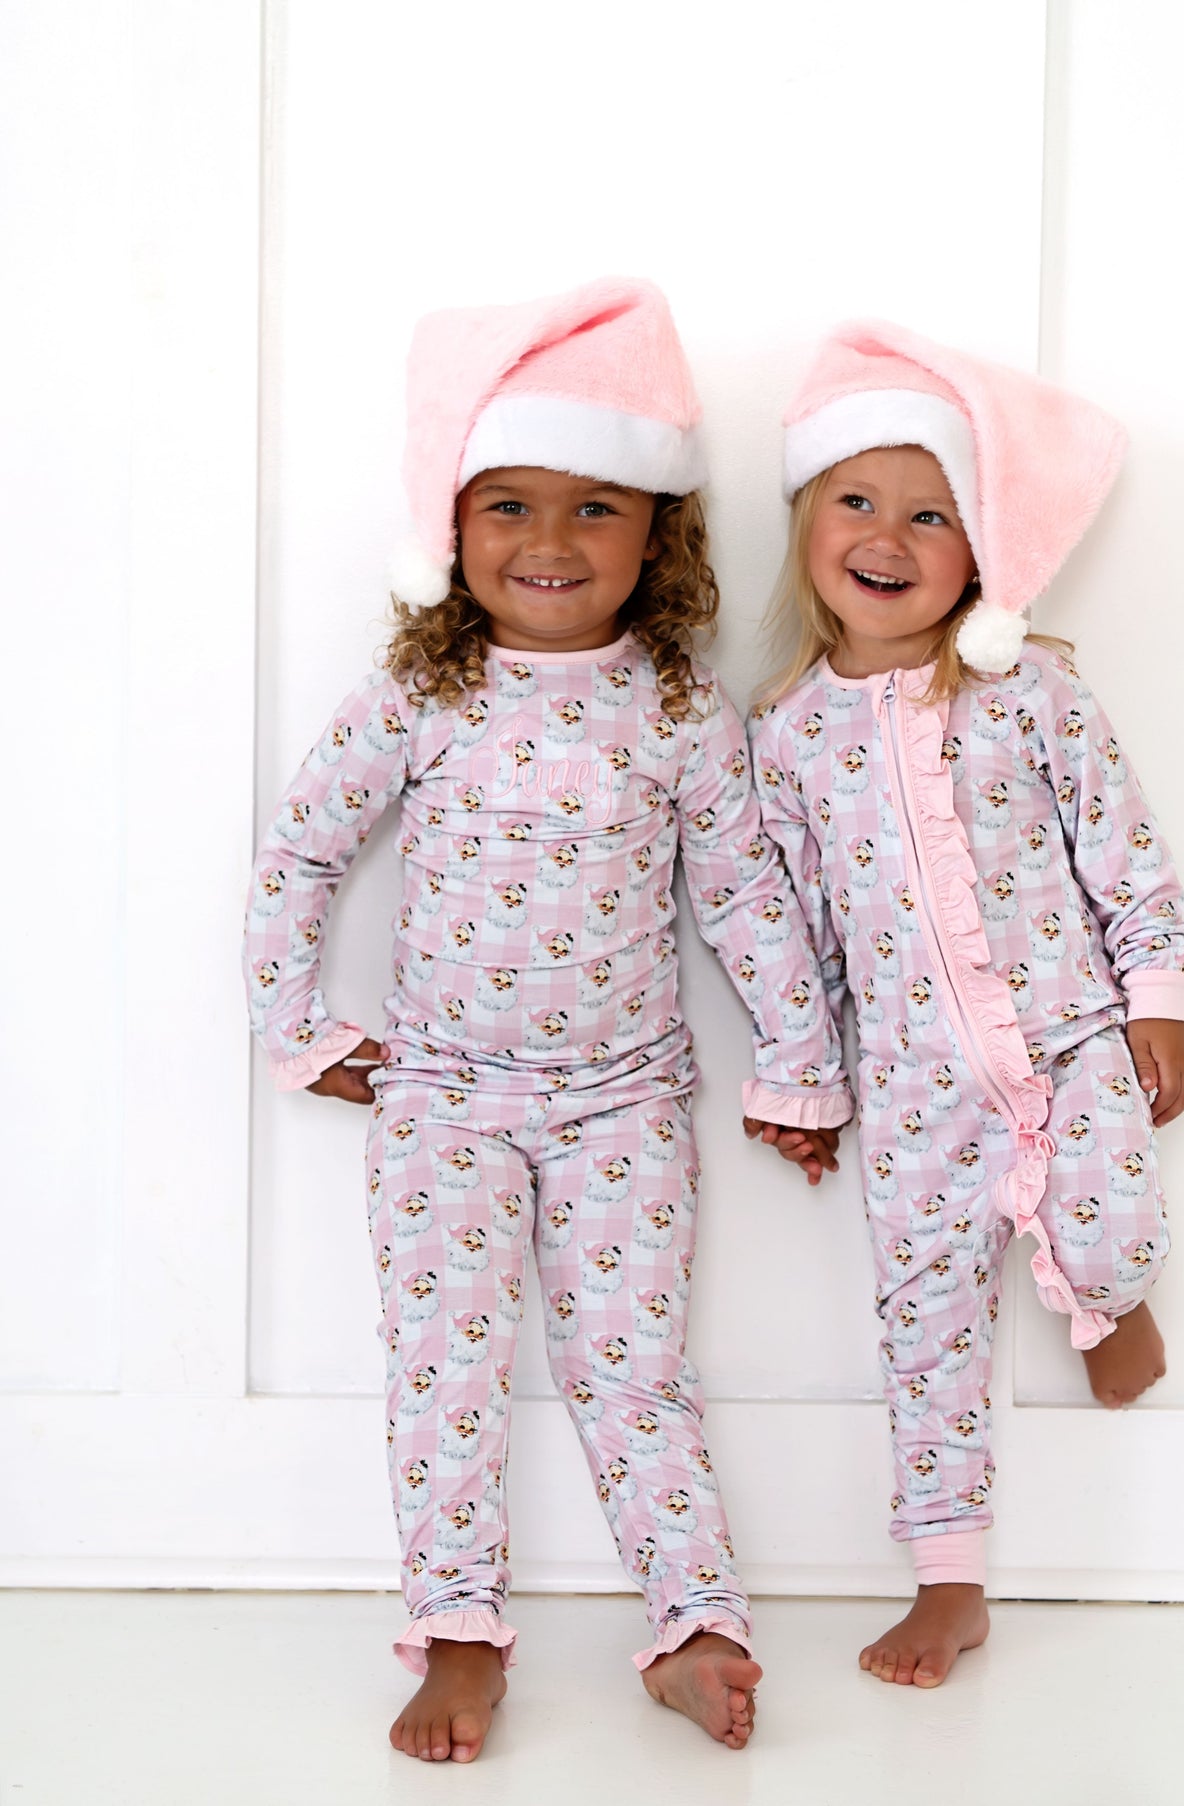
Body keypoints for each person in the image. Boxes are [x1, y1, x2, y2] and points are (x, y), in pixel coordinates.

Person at [244, 279, 851, 1761]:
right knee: (445, 1367)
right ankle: (457, 1634)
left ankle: (693, 1618)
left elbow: (749, 902)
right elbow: (304, 851)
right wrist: (302, 1026)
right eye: (507, 504)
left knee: (633, 1367)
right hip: (443, 1099)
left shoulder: (676, 711)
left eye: (594, 508)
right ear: (451, 530)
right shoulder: (418, 693)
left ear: (659, 532)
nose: (550, 542)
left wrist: (799, 1066)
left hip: (625, 1101)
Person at [747, 319, 1184, 1689]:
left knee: (1112, 1205)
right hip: (912, 1088)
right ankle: (949, 1581)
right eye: (857, 500)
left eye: (931, 512)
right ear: (809, 520)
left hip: (1067, 1037)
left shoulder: (1029, 688)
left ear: (981, 546)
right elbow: (791, 937)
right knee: (922, 1323)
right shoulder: (785, 735)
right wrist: (805, 1084)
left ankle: (1104, 1295)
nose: (888, 534)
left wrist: (1158, 994)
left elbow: (1123, 845)